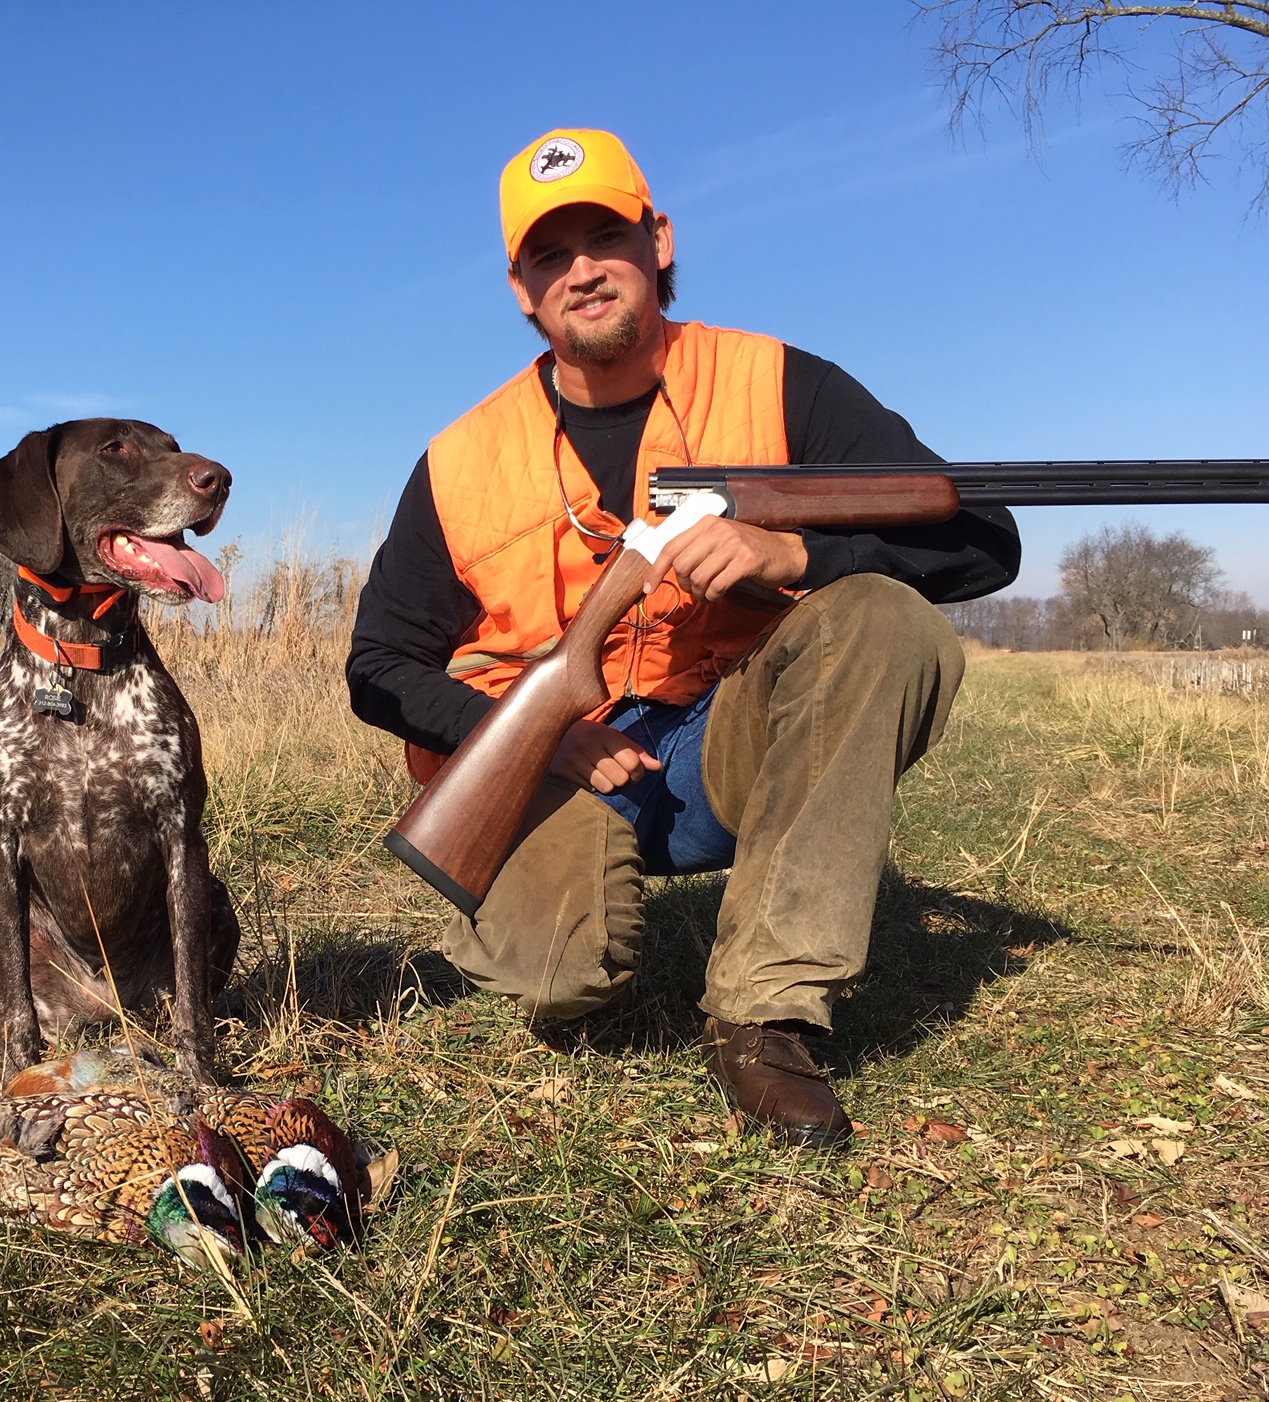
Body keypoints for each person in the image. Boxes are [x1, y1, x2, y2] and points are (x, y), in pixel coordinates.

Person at [347, 129, 1018, 1146]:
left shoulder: (782, 383)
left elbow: (982, 540)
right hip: (557, 769)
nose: (581, 269)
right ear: (522, 290)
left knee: (884, 619)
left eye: (605, 235)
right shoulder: (460, 457)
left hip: (723, 748)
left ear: (657, 240)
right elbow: (377, 665)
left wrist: (795, 558)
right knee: (563, 979)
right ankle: (506, 915)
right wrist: (539, 729)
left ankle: (762, 1014)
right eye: (549, 254)